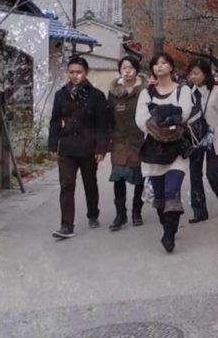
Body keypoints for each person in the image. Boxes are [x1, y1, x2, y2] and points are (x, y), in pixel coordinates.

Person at [48, 55, 110, 239]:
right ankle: (66, 225)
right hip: (67, 147)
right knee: (66, 185)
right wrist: (53, 145)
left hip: (89, 147)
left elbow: (102, 124)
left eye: (79, 72)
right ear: (68, 73)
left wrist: (101, 148)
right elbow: (54, 121)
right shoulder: (61, 94)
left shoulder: (97, 96)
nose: (75, 76)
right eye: (72, 72)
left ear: (86, 73)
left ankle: (93, 214)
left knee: (90, 183)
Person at [135, 52, 192, 252]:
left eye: (164, 63)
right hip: (153, 150)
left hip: (176, 148)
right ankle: (167, 225)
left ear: (171, 67)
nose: (160, 66)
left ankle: (169, 235)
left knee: (171, 191)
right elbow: (141, 119)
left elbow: (183, 114)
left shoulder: (182, 91)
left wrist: (159, 118)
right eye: (156, 64)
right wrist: (162, 124)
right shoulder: (146, 93)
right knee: (159, 197)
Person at [186, 57, 218, 224]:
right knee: (195, 176)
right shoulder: (187, 93)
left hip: (213, 139)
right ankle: (199, 211)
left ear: (205, 74)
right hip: (194, 140)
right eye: (191, 74)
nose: (193, 77)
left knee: (212, 174)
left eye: (196, 73)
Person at [106, 56, 147, 230]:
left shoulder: (145, 91)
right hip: (120, 140)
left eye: (130, 67)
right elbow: (108, 117)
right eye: (124, 68)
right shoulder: (114, 92)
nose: (127, 71)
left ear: (136, 70)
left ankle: (136, 211)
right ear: (120, 71)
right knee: (118, 177)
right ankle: (120, 214)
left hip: (140, 140)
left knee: (139, 178)